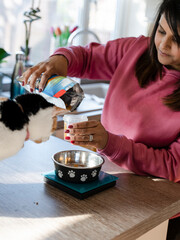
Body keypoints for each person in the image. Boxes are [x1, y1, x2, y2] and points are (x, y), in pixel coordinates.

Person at [22, 0, 180, 238]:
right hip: (106, 183)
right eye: (161, 31)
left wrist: (110, 143)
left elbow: (173, 165)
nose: (164, 44)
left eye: (177, 39)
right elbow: (85, 58)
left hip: (156, 209)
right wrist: (60, 61)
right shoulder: (135, 50)